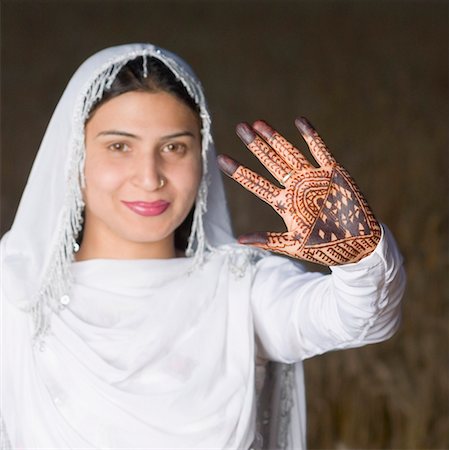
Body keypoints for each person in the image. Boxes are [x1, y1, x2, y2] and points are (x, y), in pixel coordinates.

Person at [0, 43, 405, 449]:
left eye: (174, 147)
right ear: (74, 157)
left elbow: (360, 317)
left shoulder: (239, 288)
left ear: (202, 156)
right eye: (119, 146)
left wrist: (358, 257)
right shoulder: (16, 294)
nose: (149, 176)